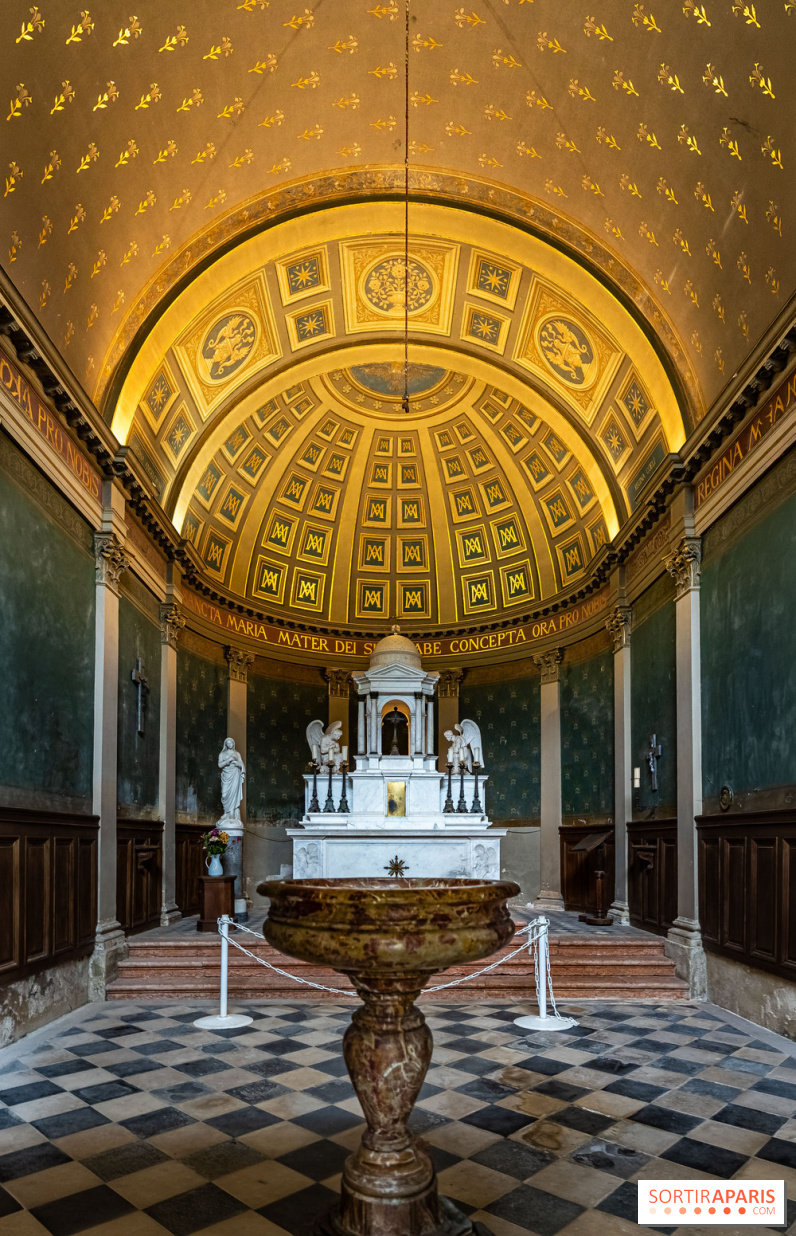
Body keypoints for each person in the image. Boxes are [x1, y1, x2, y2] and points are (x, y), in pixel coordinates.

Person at [218, 737, 245, 821]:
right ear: (226, 744)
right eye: (228, 743)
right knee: (224, 794)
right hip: (226, 775)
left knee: (234, 794)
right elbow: (219, 765)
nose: (230, 744)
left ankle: (232, 813)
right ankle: (226, 813)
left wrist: (237, 763)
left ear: (233, 743)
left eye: (231, 743)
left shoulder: (237, 754)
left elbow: (242, 765)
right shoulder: (222, 754)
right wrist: (228, 761)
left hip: (235, 774)